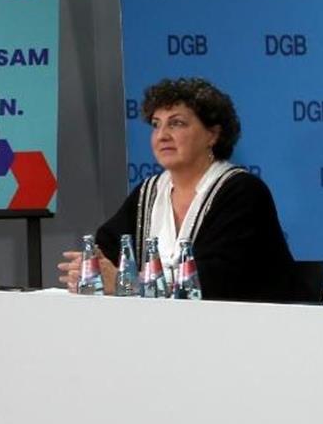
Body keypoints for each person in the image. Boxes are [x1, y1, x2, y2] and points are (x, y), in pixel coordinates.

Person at [58, 77, 303, 302]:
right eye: (156, 125)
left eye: (176, 124)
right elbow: (109, 250)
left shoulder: (243, 192)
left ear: (213, 135)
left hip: (249, 333)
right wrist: (92, 266)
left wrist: (128, 282)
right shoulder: (149, 193)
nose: (162, 135)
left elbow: (217, 279)